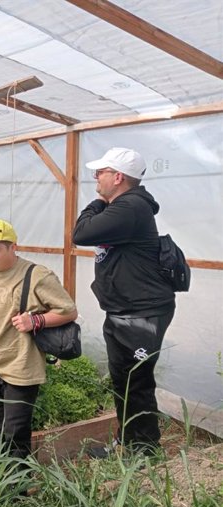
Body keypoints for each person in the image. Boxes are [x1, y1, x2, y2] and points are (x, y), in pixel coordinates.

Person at [72, 147, 176, 457]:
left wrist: (99, 202)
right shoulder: (127, 206)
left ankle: (144, 451)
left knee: (136, 381)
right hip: (126, 310)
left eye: (101, 172)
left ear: (118, 177)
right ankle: (128, 442)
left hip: (142, 313)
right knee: (124, 379)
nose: (95, 177)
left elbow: (80, 233)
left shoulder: (131, 206)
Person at [0, 219, 78, 461]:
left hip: (22, 363)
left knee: (15, 429)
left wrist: (37, 321)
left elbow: (68, 311)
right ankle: (2, 470)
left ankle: (17, 489)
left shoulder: (36, 275)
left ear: (13, 247)